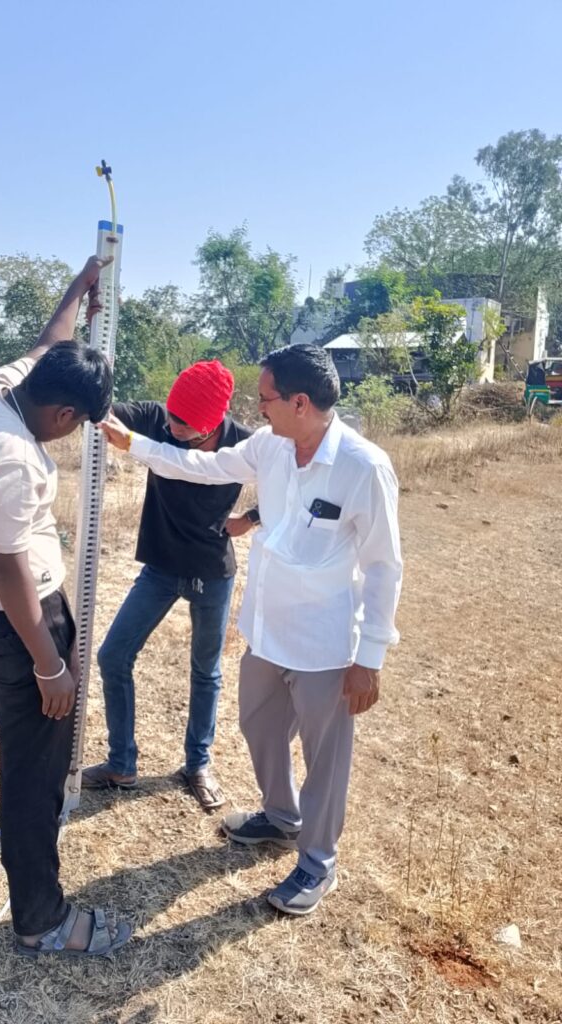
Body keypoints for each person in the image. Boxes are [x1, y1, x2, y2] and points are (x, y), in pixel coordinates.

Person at [100, 344, 402, 916]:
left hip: (325, 642)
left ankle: (317, 862)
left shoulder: (363, 467)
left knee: (325, 757)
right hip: (267, 631)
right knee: (259, 727)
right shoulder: (270, 446)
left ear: (300, 402)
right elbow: (202, 466)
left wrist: (370, 657)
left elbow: (385, 566)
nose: (258, 408)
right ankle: (281, 818)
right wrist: (135, 445)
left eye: (266, 398)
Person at [0, 256, 131, 958]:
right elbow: (7, 565)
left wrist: (79, 288)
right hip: (17, 624)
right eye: (78, 425)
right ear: (65, 414)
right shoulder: (10, 454)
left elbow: (49, 343)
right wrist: (48, 664)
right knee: (34, 771)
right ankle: (42, 919)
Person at [82, 360, 256, 810]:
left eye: (185, 424)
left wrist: (253, 517)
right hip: (160, 567)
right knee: (113, 655)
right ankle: (121, 763)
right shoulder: (157, 420)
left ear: (214, 420)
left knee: (206, 671)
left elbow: (290, 481)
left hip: (212, 570)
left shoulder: (244, 443)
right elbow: (103, 409)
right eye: (172, 417)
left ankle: (198, 764)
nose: (173, 428)